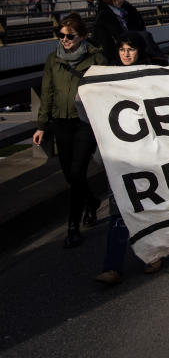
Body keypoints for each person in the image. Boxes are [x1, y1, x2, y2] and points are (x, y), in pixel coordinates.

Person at [33, 13, 108, 248]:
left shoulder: (97, 59)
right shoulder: (53, 59)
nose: (64, 40)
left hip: (85, 122)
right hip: (61, 121)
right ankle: (92, 201)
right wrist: (42, 125)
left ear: (83, 36)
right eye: (61, 35)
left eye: (69, 36)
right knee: (69, 175)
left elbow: (106, 90)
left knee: (77, 173)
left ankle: (73, 227)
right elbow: (47, 93)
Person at [95, 32, 164, 284]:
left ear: (139, 51)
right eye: (122, 49)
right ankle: (112, 266)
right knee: (118, 209)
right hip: (119, 156)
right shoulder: (105, 79)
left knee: (147, 204)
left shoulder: (150, 77)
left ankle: (152, 255)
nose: (126, 54)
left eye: (131, 49)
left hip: (145, 154)